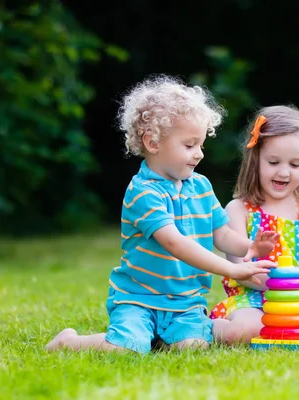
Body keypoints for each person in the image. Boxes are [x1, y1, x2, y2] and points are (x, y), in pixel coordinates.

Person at [45, 74, 279, 353]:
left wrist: (250, 246)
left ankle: (157, 338)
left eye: (201, 145)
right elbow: (174, 243)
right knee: (125, 350)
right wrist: (230, 268)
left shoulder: (201, 186)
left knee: (192, 347)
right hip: (138, 298)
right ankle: (70, 342)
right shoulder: (143, 192)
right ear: (153, 143)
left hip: (185, 302)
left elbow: (223, 233)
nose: (200, 154)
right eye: (189, 145)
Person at [210, 105, 299, 344]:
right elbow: (241, 273)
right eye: (273, 162)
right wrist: (280, 278)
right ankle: (204, 327)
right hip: (252, 300)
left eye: (294, 164)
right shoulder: (239, 210)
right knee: (244, 330)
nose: (284, 172)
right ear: (256, 160)